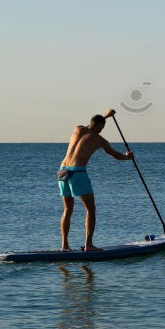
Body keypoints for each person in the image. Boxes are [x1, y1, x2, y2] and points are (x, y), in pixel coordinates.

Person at [57, 108, 132, 251]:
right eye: (102, 127)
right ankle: (89, 245)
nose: (102, 130)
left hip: (62, 170)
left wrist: (106, 116)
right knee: (91, 210)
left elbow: (92, 124)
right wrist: (128, 157)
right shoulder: (99, 140)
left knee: (67, 209)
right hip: (77, 172)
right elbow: (115, 155)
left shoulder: (78, 129)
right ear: (98, 126)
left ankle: (65, 246)